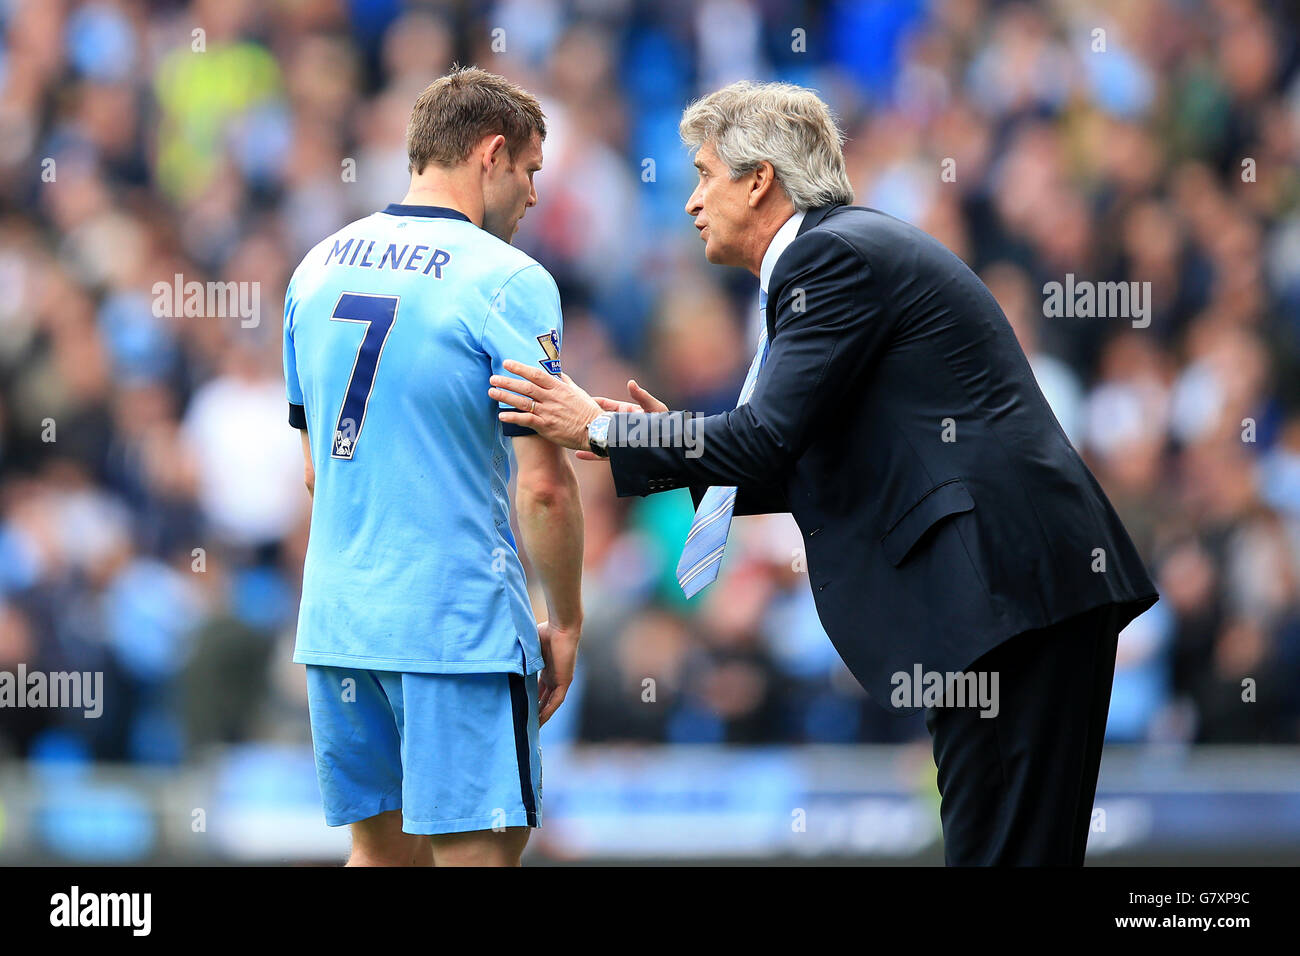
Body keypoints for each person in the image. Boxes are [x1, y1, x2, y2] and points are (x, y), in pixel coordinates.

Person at [489, 80, 1159, 865]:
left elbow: (766, 440)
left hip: (1007, 597)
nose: (691, 201)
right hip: (1012, 600)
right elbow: (804, 461)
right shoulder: (842, 255)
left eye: (705, 174)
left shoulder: (827, 257)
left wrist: (602, 429)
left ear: (760, 179)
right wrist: (649, 437)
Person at [283, 66, 584, 866]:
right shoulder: (509, 280)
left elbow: (317, 471)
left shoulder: (314, 270)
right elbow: (545, 485)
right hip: (457, 628)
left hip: (342, 624)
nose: (531, 195)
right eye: (529, 172)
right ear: (492, 154)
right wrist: (569, 617)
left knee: (378, 857)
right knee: (475, 857)